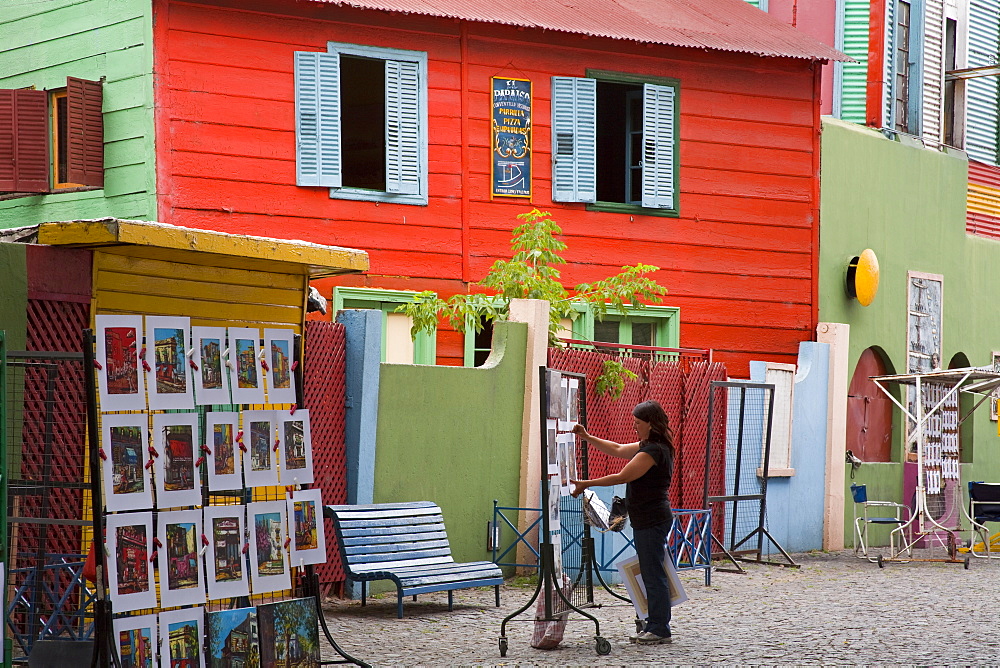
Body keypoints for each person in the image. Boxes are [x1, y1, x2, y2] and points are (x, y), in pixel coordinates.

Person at [570, 400, 675, 645]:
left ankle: (659, 628)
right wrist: (587, 437)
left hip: (651, 519)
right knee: (651, 571)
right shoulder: (650, 445)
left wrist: (587, 483)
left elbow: (622, 475)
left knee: (652, 573)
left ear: (650, 423)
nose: (634, 426)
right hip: (648, 518)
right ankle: (654, 623)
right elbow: (617, 449)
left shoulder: (653, 452)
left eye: (638, 423)